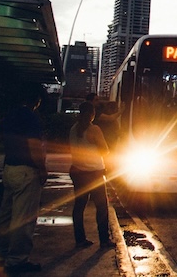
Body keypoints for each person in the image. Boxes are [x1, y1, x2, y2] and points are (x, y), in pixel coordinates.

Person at [0, 84, 47, 273]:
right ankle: (17, 260)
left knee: (6, 215)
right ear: (36, 100)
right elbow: (34, 146)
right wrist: (42, 169)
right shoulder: (30, 117)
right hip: (26, 171)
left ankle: (0, 253)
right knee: (23, 218)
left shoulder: (10, 115)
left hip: (9, 167)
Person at [69, 101, 114, 249]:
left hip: (77, 171)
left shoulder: (73, 129)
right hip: (94, 173)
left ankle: (80, 239)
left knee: (79, 206)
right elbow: (105, 150)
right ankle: (104, 239)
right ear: (92, 114)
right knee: (101, 207)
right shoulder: (94, 129)